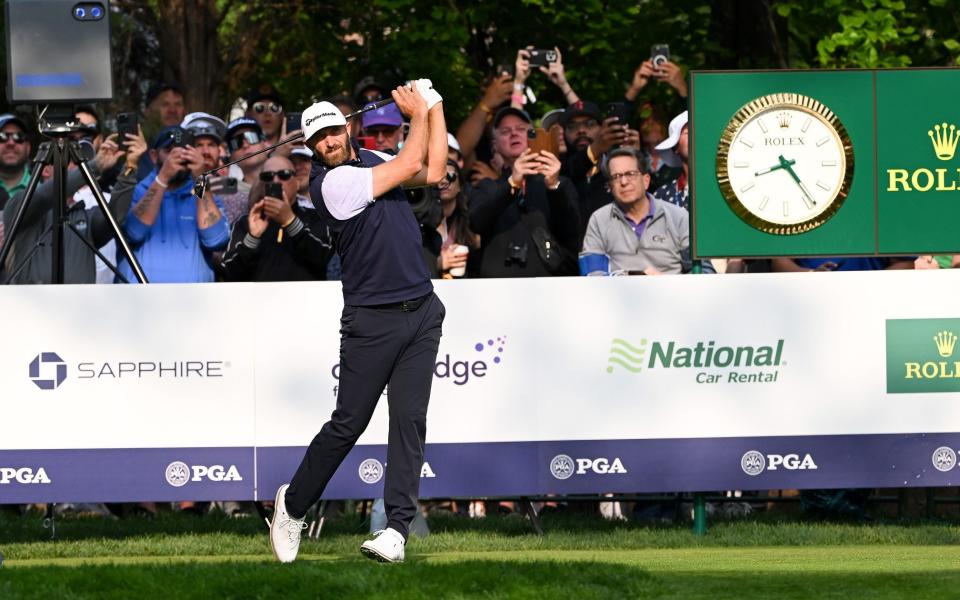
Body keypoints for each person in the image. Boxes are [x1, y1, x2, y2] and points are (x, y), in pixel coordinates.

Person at [269, 80, 447, 564]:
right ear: (310, 149)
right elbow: (411, 162)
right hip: (372, 319)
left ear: (347, 127)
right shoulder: (330, 186)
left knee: (409, 420)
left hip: (422, 310)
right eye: (317, 140)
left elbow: (432, 169)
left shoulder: (370, 159)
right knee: (349, 423)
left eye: (332, 131)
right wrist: (417, 114)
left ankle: (396, 531)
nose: (328, 142)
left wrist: (434, 104)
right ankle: (294, 503)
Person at [3, 130, 146, 284]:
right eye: (71, 159)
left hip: (80, 306)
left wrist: (130, 166)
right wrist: (95, 166)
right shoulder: (20, 205)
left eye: (82, 161)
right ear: (46, 170)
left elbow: (115, 216)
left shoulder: (84, 216)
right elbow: (44, 196)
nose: (79, 166)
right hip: (30, 306)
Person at [468, 107, 580, 277]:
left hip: (550, 286)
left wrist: (553, 186)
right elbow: (476, 222)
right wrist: (512, 183)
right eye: (505, 131)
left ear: (532, 137)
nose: (514, 134)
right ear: (494, 145)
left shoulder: (560, 183)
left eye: (521, 129)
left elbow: (572, 233)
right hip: (496, 288)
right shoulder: (486, 186)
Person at [117, 127, 229, 283]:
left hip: (193, 302)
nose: (178, 156)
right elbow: (133, 232)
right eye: (169, 150)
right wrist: (163, 177)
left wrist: (200, 178)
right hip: (141, 303)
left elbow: (216, 240)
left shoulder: (201, 192)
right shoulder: (135, 192)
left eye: (185, 150)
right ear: (154, 156)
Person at [219, 155, 332, 281]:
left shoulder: (316, 217)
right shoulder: (246, 222)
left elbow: (324, 260)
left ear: (296, 183)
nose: (276, 181)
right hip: (257, 300)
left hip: (304, 299)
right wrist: (252, 238)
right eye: (268, 176)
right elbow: (228, 272)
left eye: (284, 175)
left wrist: (290, 222)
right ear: (261, 185)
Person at [581, 147, 691, 275]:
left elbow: (701, 271)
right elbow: (592, 274)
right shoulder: (599, 219)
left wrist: (666, 283)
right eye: (616, 176)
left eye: (630, 174)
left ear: (646, 181)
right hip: (618, 292)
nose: (623, 182)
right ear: (610, 186)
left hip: (670, 292)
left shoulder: (678, 217)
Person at [219, 118, 268, 225]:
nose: (246, 145)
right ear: (231, 155)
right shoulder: (227, 194)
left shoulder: (289, 178)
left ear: (265, 143)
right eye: (236, 142)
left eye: (251, 137)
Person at [436, 160, 479, 278]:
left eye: (451, 176)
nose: (444, 181)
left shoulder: (470, 221)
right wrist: (437, 263)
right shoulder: (423, 222)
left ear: (460, 186)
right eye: (439, 177)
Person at [652, 111, 691, 211]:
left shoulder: (720, 184)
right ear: (675, 147)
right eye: (687, 132)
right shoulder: (662, 196)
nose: (694, 136)